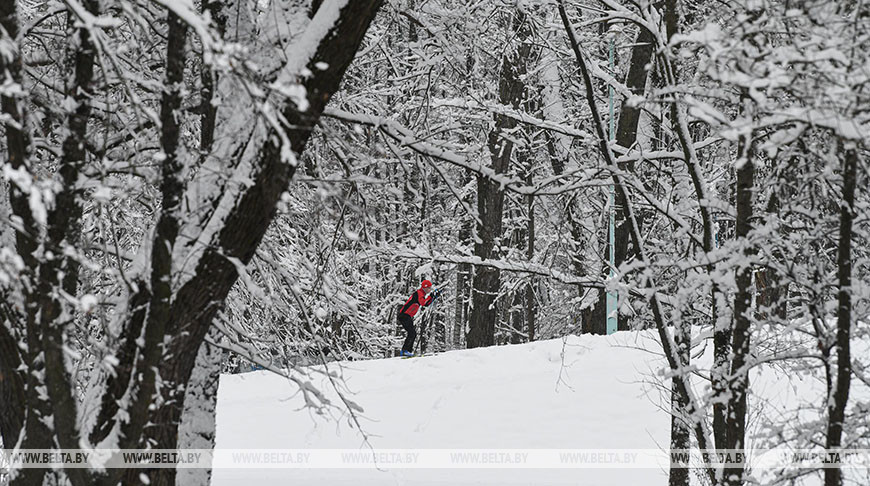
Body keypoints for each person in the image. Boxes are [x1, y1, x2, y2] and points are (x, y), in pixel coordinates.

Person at [397, 279, 438, 356]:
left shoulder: (421, 294)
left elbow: (426, 304)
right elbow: (423, 303)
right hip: (404, 315)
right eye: (429, 288)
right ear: (425, 287)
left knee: (413, 333)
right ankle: (405, 351)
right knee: (412, 333)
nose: (430, 289)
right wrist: (431, 296)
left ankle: (407, 351)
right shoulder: (419, 293)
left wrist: (433, 297)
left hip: (407, 316)